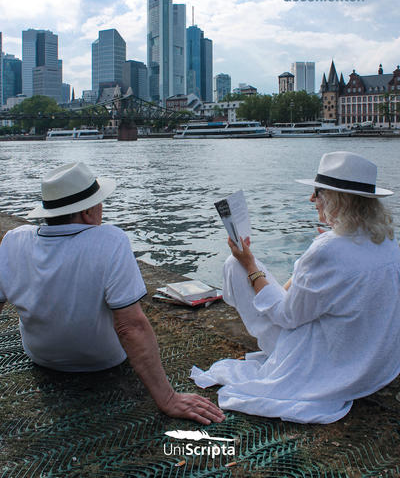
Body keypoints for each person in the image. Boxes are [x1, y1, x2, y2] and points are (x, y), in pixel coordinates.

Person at [0, 161, 224, 426]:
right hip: (102, 359)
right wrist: (168, 398)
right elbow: (131, 328)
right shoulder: (109, 240)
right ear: (87, 212)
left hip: (41, 355)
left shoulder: (14, 240)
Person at [191, 151, 400, 424]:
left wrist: (250, 264)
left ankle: (246, 281)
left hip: (334, 368)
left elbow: (287, 316)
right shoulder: (387, 243)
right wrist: (308, 261)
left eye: (317, 192)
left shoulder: (329, 249)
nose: (312, 199)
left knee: (234, 264)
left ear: (337, 200)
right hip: (375, 368)